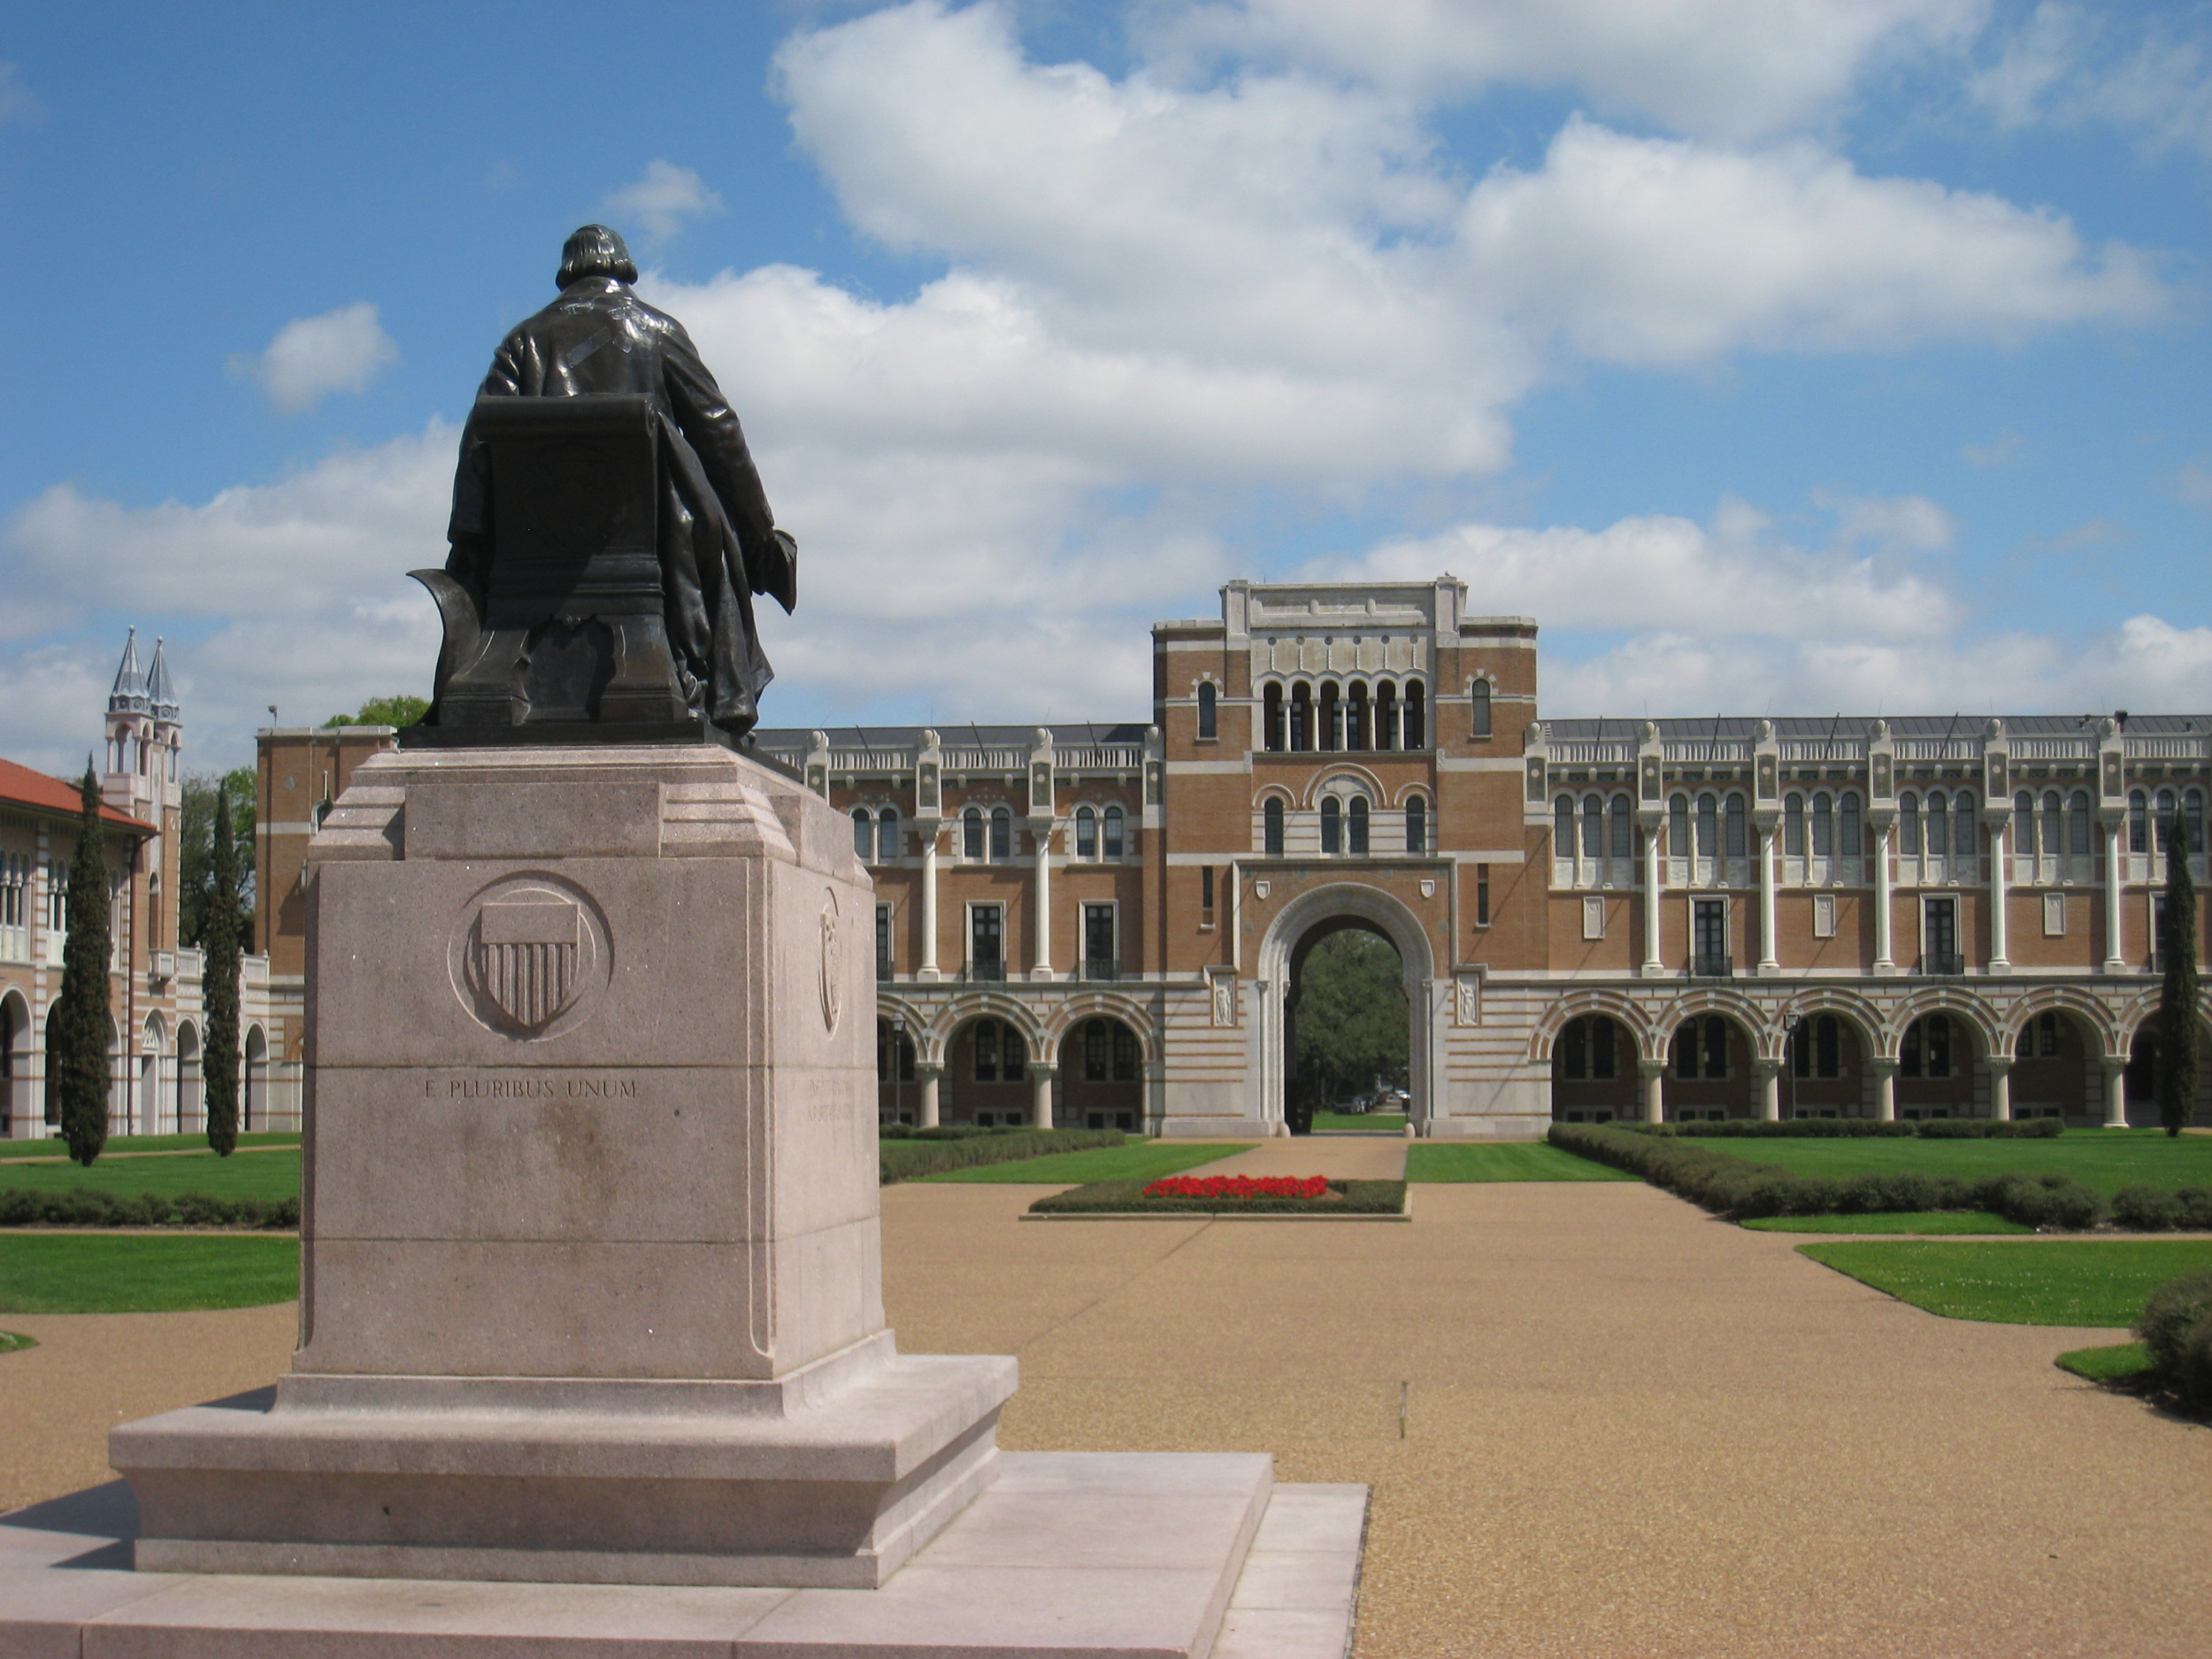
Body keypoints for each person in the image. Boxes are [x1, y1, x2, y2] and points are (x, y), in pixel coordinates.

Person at [445, 224, 796, 735]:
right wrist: (759, 530)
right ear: (624, 269)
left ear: (568, 272)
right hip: (653, 544)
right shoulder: (656, 330)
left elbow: (480, 441)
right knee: (713, 538)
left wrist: (469, 542)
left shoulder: (522, 341)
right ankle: (702, 681)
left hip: (533, 551)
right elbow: (719, 431)